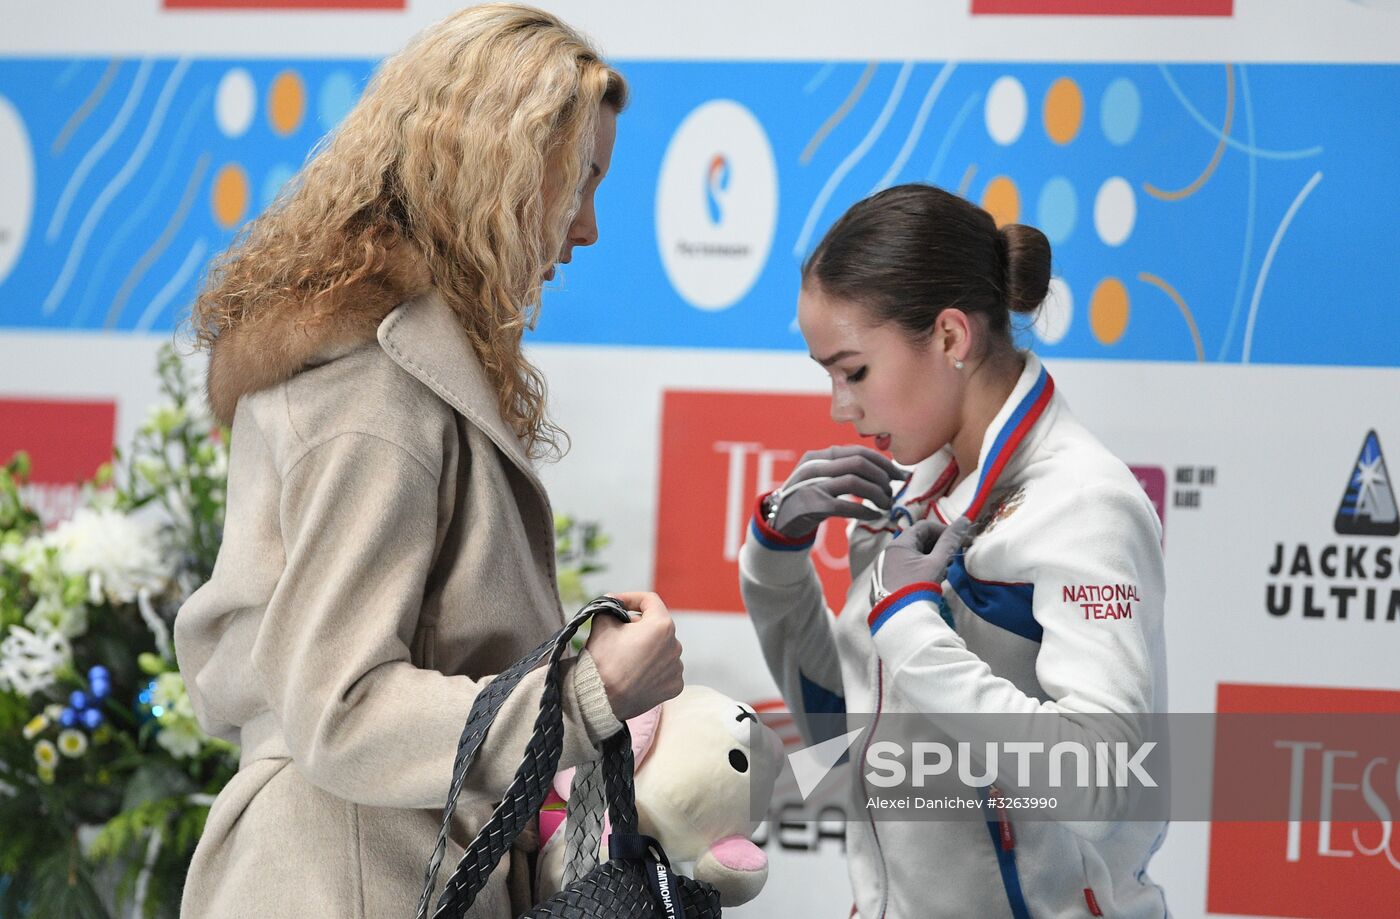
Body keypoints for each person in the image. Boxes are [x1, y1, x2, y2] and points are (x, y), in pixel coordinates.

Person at [173, 6, 684, 917]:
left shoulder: (399, 370)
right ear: (501, 169)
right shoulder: (376, 389)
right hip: (346, 872)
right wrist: (590, 692)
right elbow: (344, 707)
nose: (591, 228)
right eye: (581, 181)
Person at [739, 183, 1169, 918]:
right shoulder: (908, 496)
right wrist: (775, 563)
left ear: (949, 337)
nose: (841, 406)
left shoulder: (1085, 502)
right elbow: (848, 745)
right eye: (828, 374)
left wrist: (909, 626)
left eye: (855, 370)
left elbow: (1102, 784)